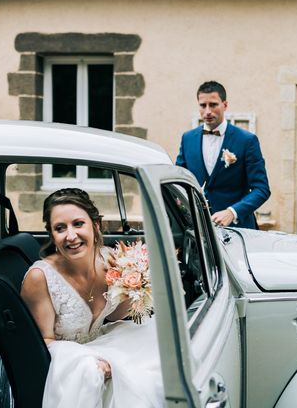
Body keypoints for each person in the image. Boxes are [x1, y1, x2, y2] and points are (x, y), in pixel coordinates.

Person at [20, 188, 163, 408]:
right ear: (52, 235)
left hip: (102, 341)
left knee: (157, 354)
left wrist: (134, 288)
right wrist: (88, 362)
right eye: (60, 228)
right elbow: (42, 344)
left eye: (78, 224)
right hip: (70, 362)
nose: (71, 236)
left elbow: (115, 314)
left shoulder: (111, 259)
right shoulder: (40, 278)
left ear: (95, 226)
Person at [176, 80, 270, 229]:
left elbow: (262, 189)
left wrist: (233, 212)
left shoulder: (246, 140)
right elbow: (179, 179)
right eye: (203, 105)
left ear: (225, 105)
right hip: (199, 229)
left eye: (213, 105)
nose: (207, 111)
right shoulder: (187, 139)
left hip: (238, 229)